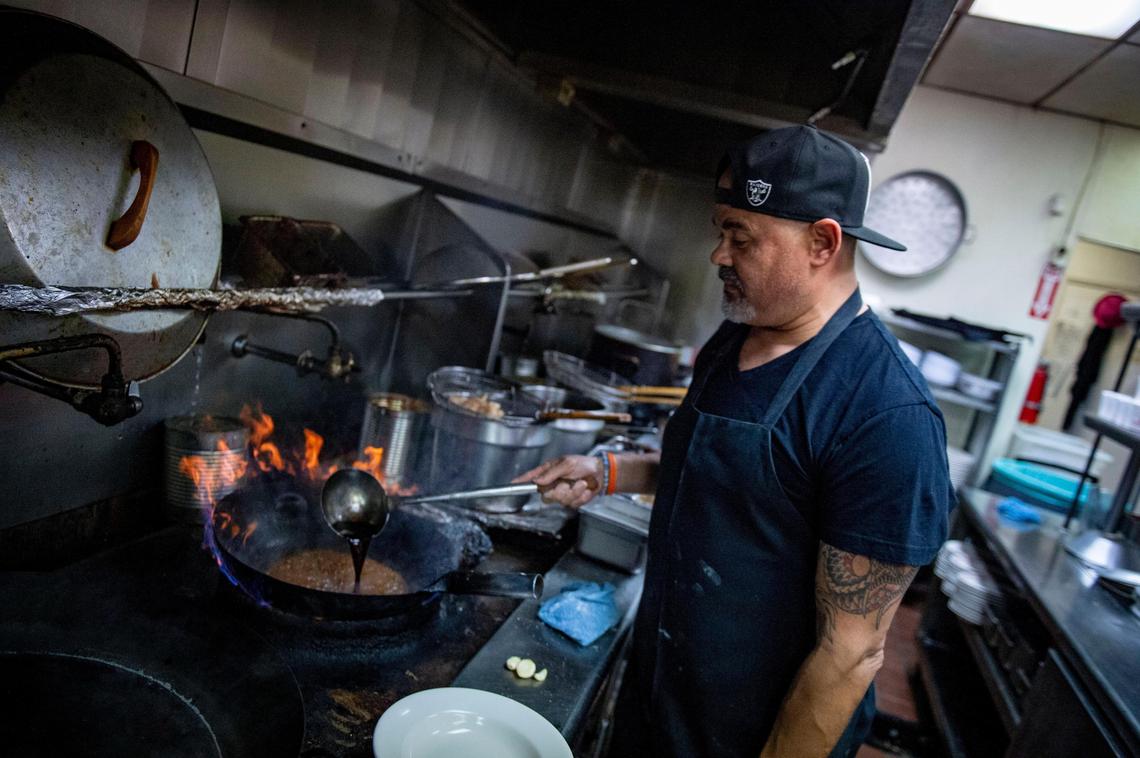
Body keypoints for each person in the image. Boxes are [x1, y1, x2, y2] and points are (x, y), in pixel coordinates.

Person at [514, 124, 953, 758]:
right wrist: (608, 470)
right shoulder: (737, 335)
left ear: (822, 243)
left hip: (755, 736)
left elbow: (849, 654)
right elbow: (713, 471)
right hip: (660, 694)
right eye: (721, 230)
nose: (719, 254)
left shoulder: (886, 416)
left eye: (740, 237)